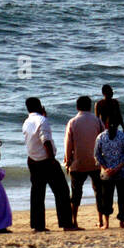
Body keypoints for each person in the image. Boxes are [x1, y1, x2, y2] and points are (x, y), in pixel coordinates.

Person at [23, 97, 79, 232]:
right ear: (40, 106)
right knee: (61, 191)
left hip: (32, 159)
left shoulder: (27, 121)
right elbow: (46, 141)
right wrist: (52, 158)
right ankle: (66, 223)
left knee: (37, 193)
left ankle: (38, 225)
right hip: (45, 160)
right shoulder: (42, 121)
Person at [65, 95, 105, 228]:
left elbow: (68, 144)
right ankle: (101, 221)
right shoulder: (98, 121)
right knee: (99, 192)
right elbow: (103, 141)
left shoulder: (72, 122)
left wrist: (67, 160)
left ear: (77, 107)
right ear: (89, 106)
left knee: (76, 193)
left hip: (78, 162)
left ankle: (74, 221)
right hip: (95, 162)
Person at [93, 112, 124, 228]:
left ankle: (106, 223)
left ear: (106, 124)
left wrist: (106, 168)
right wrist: (117, 168)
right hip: (122, 172)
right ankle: (122, 222)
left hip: (107, 173)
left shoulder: (101, 137)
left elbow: (96, 155)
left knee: (106, 198)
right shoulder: (123, 137)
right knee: (123, 198)